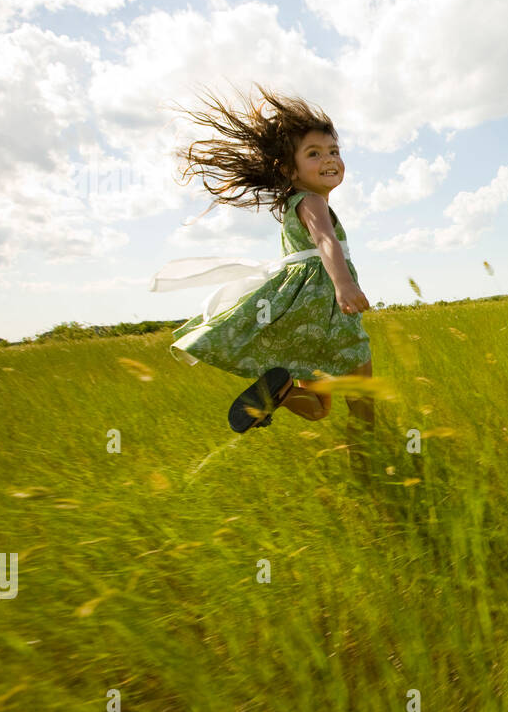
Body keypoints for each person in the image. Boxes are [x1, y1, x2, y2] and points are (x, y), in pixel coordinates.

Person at [149, 83, 376, 468]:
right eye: (315, 153)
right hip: (330, 313)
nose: (329, 159)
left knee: (319, 408)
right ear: (290, 169)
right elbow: (325, 241)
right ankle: (370, 475)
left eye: (334, 151)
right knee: (363, 403)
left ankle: (280, 393)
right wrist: (344, 283)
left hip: (304, 318)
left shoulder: (294, 203)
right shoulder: (313, 202)